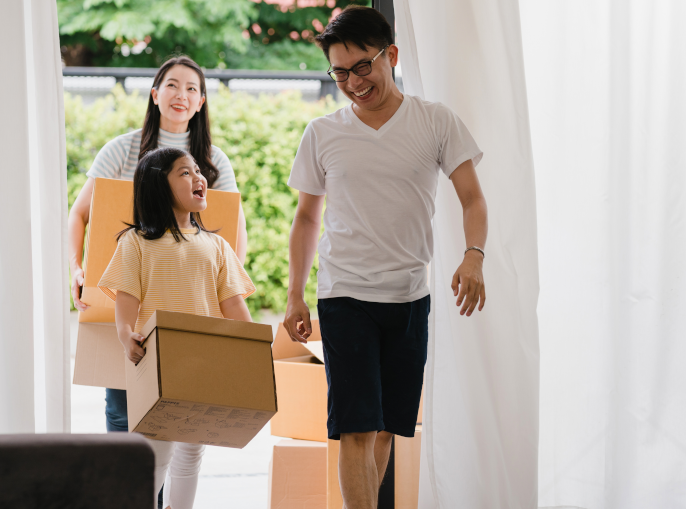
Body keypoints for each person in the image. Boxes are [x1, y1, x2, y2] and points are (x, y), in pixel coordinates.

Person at [284, 6, 488, 509]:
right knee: (355, 428)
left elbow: (472, 198)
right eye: (340, 73)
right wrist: (294, 296)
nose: (353, 82)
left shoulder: (436, 121)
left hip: (409, 297)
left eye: (362, 67)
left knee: (384, 431)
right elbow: (307, 219)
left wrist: (474, 256)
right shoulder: (323, 133)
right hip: (344, 295)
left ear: (390, 55)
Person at [67, 55, 248, 434]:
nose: (181, 94)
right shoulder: (121, 149)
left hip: (187, 305)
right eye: (172, 85)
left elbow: (232, 231)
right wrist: (76, 267)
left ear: (201, 102)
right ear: (154, 94)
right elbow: (81, 213)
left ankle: (161, 495)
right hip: (126, 296)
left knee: (182, 417)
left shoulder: (213, 162)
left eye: (192, 88)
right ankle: (134, 493)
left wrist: (228, 295)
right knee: (122, 408)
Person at [97, 147, 256, 509]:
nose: (199, 177)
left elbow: (233, 304)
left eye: (198, 171)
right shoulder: (135, 242)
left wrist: (254, 347)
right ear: (158, 185)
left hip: (203, 365)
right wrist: (126, 335)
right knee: (157, 451)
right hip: (158, 364)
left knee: (192, 449)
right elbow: (126, 302)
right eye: (185, 173)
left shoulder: (216, 245)